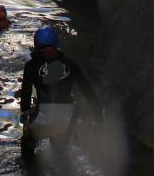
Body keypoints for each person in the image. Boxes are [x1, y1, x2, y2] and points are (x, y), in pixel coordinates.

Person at [19, 25, 102, 160]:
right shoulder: (71, 64)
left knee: (28, 144)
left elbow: (26, 95)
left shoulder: (31, 66)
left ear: (36, 45)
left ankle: (30, 168)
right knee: (60, 151)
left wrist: (25, 116)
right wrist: (98, 116)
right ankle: (63, 165)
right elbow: (88, 91)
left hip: (42, 117)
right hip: (66, 120)